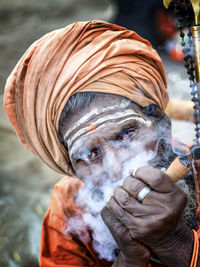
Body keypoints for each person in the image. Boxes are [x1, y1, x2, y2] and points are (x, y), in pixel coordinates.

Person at [4, 20, 200, 266]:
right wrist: (129, 260)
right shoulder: (68, 209)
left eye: (126, 133)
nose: (117, 168)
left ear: (161, 123)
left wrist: (174, 242)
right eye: (89, 154)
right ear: (71, 169)